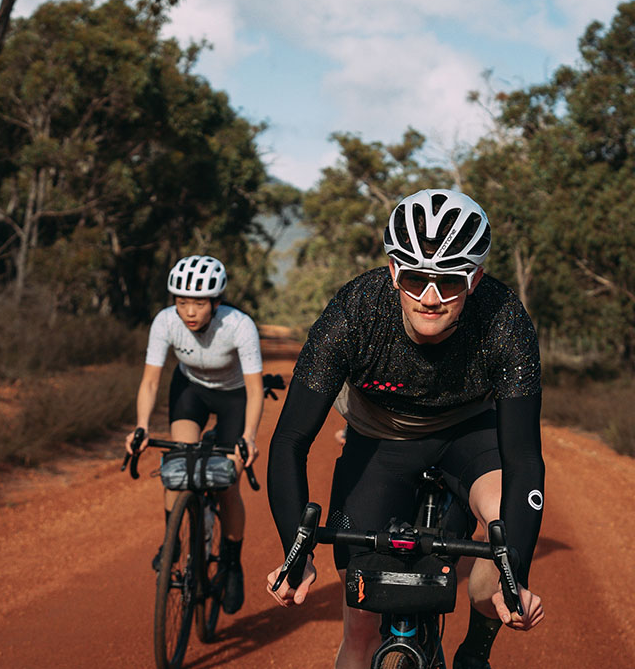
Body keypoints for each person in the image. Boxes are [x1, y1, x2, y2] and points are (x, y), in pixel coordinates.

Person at [265, 190, 545, 669]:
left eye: (449, 282)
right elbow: (290, 440)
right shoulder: (354, 312)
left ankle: (476, 648)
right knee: (360, 629)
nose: (430, 298)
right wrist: (296, 551)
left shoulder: (504, 320)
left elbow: (523, 460)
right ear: (394, 270)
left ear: (474, 278)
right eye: (415, 278)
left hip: (468, 434)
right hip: (380, 440)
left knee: (503, 533)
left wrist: (511, 575)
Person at [126, 254, 263, 615]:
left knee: (226, 482)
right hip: (190, 391)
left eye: (199, 303)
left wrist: (248, 437)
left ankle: (232, 562)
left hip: (233, 396)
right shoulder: (165, 322)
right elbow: (151, 379)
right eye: (182, 302)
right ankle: (172, 541)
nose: (189, 311)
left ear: (216, 303)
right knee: (178, 468)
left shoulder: (239, 326)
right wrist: (141, 425)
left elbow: (254, 390)